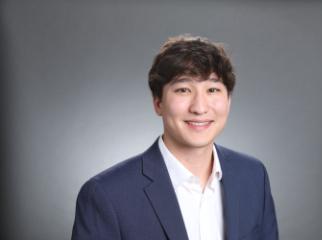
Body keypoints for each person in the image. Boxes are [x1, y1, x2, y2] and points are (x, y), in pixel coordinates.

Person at [71, 34, 279, 240]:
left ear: (228, 100)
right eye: (183, 90)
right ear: (158, 102)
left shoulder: (253, 176)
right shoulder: (106, 194)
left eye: (213, 89)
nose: (199, 107)